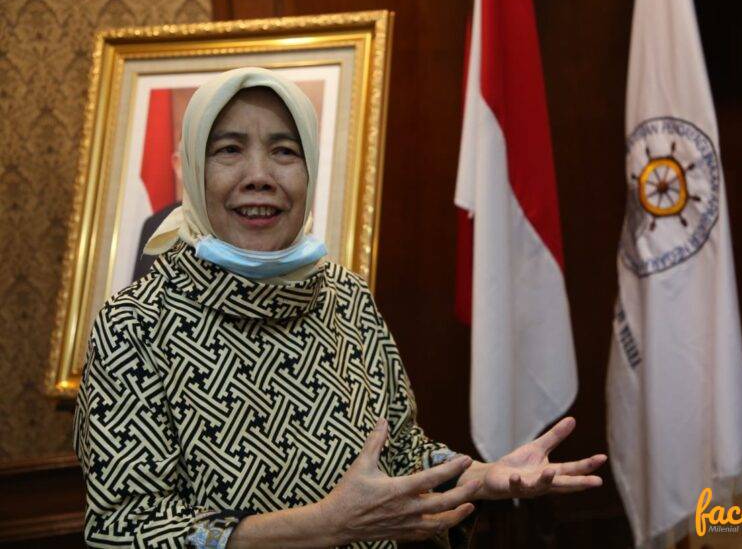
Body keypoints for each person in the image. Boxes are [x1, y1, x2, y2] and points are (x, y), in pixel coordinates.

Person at [73, 67, 607, 549]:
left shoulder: (345, 296)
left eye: (285, 151)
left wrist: (482, 477)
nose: (259, 174)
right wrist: (326, 525)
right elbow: (126, 529)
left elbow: (400, 453)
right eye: (229, 150)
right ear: (192, 168)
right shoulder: (133, 325)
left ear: (310, 171)